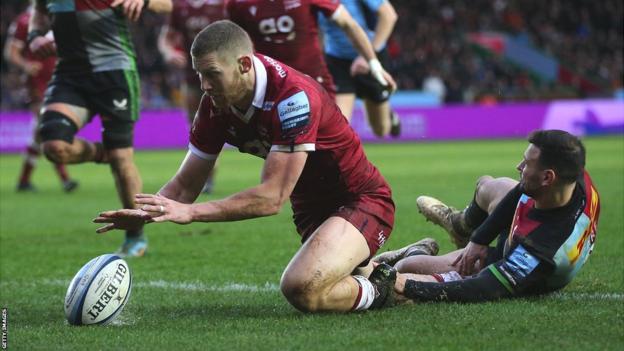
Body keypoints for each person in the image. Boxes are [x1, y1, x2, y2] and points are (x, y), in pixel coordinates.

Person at [94, 20, 397, 313]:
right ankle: (407, 268)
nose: (204, 85)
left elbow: (271, 196)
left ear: (244, 65)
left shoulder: (292, 98)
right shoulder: (215, 105)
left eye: (212, 74)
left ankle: (385, 289)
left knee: (303, 286)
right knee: (344, 276)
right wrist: (145, 214)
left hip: (359, 199)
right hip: (311, 211)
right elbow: (186, 185)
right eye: (199, 74)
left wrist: (192, 212)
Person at [373, 130, 601, 303]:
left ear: (547, 178)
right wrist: (479, 239)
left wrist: (408, 286)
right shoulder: (572, 174)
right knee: (490, 185)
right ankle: (460, 226)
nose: (518, 166)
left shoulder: (537, 252)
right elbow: (521, 190)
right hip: (534, 228)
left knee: (407, 268)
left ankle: (414, 253)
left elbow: (485, 287)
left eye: (527, 163)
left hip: (521, 264)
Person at [28, 0, 172, 257]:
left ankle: (135, 234)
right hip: (69, 74)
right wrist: (35, 36)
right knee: (54, 147)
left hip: (114, 71)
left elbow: (167, 5)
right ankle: (105, 154)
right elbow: (38, 11)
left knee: (122, 159)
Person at [227, 0, 396, 100]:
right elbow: (236, 44)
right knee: (286, 148)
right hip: (271, 85)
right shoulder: (237, 4)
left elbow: (349, 24)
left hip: (314, 81)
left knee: (376, 128)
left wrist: (373, 64)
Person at [4, 6, 78, 193]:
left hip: (58, 80)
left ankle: (23, 180)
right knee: (48, 128)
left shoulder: (59, 14)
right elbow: (11, 52)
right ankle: (65, 179)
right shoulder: (24, 21)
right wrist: (26, 65)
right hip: (36, 84)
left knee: (40, 133)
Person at [158, 0, 227, 194]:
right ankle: (207, 178)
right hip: (191, 77)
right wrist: (168, 53)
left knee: (222, 126)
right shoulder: (180, 7)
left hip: (224, 77)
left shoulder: (223, 5)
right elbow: (166, 39)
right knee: (197, 128)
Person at [318, 0, 401, 138]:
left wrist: (367, 56)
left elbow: (389, 16)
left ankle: (388, 114)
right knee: (338, 124)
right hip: (338, 60)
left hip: (372, 55)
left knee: (380, 129)